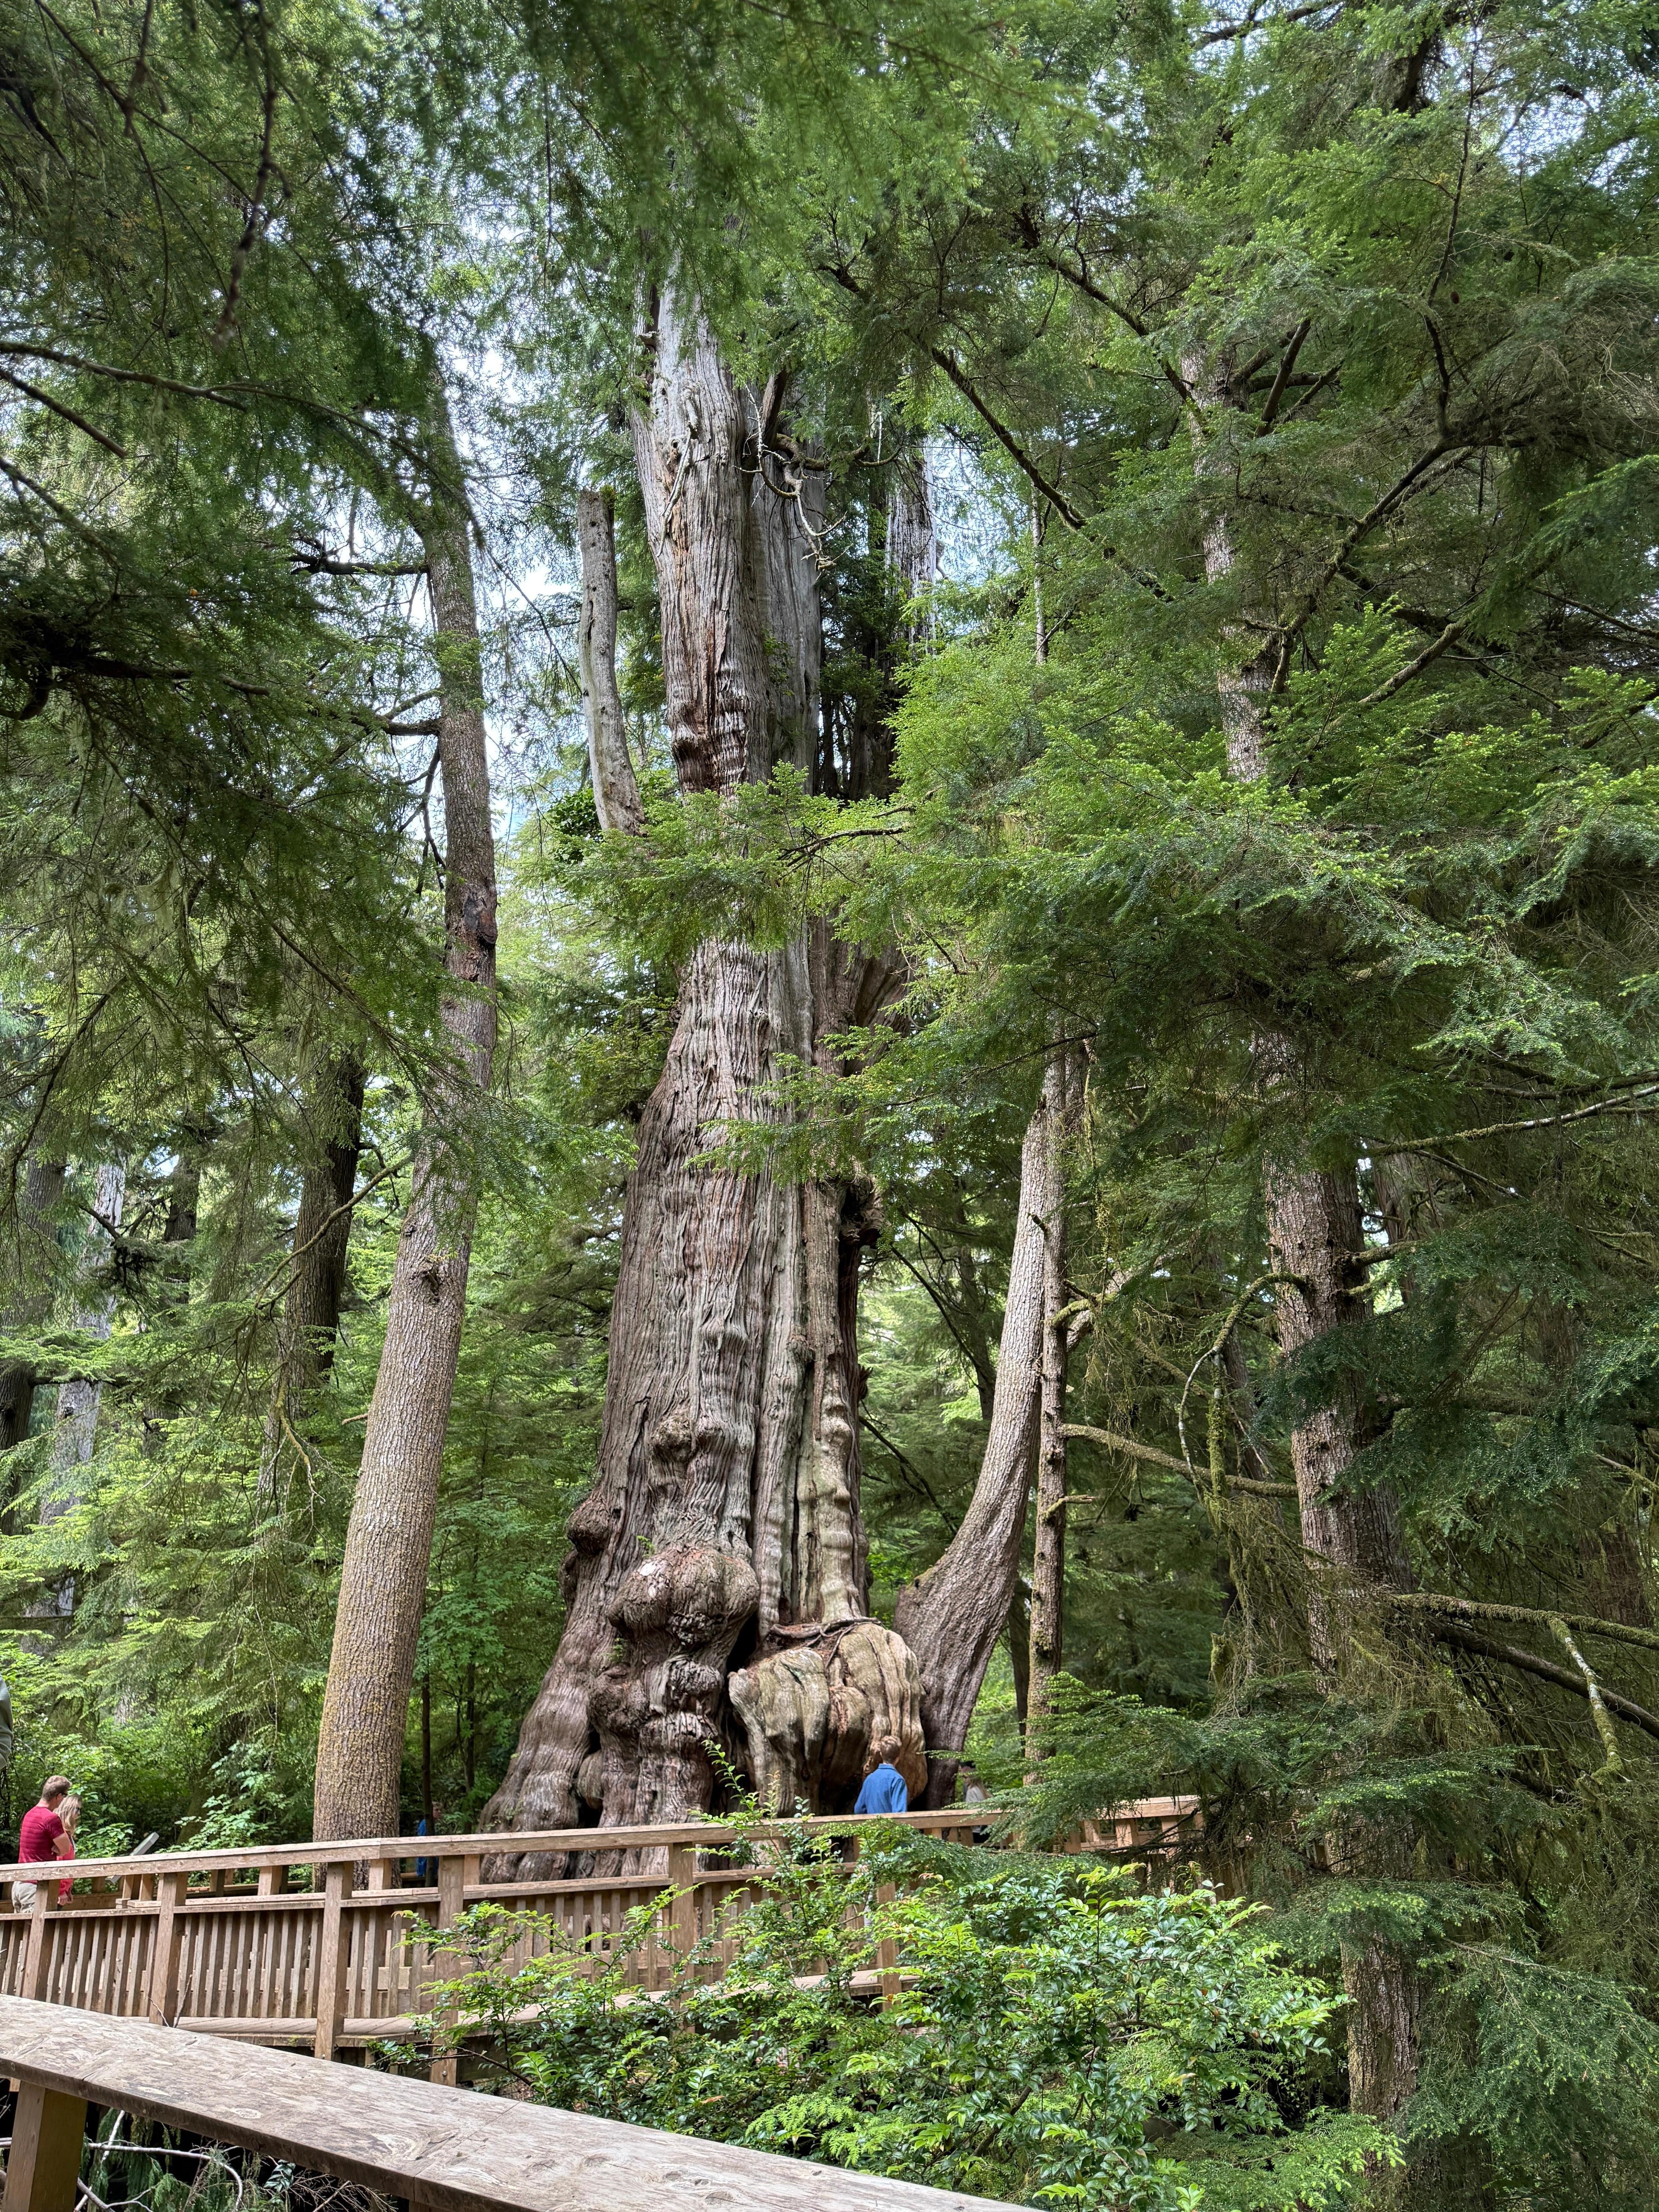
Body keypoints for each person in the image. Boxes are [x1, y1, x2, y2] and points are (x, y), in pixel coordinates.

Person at [14, 1776, 74, 1911]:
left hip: (19, 1884)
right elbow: (66, 1848)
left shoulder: (29, 1815)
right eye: (65, 1796)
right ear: (59, 1796)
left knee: (21, 1931)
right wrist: (57, 1848)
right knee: (38, 1931)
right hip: (35, 1888)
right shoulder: (50, 1818)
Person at [854, 1737, 910, 1815]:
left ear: (881, 1755)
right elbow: (900, 1813)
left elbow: (859, 1810)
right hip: (889, 1827)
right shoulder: (898, 1780)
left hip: (871, 1827)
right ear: (898, 1758)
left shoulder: (870, 1779)